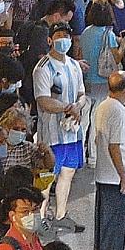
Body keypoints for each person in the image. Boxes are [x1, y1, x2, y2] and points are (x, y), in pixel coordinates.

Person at [32, 22, 87, 234]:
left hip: (72, 132)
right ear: (50, 40)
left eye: (66, 35)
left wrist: (78, 106)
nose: (63, 39)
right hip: (51, 135)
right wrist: (67, 107)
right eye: (58, 35)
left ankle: (61, 215)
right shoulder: (43, 68)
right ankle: (39, 219)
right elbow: (43, 100)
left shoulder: (74, 65)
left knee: (68, 173)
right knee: (45, 179)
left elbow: (82, 95)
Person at [90, 70, 125, 250]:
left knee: (104, 223)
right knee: (114, 225)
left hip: (103, 175)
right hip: (114, 177)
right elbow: (114, 147)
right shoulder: (117, 111)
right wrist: (124, 178)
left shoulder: (104, 105)